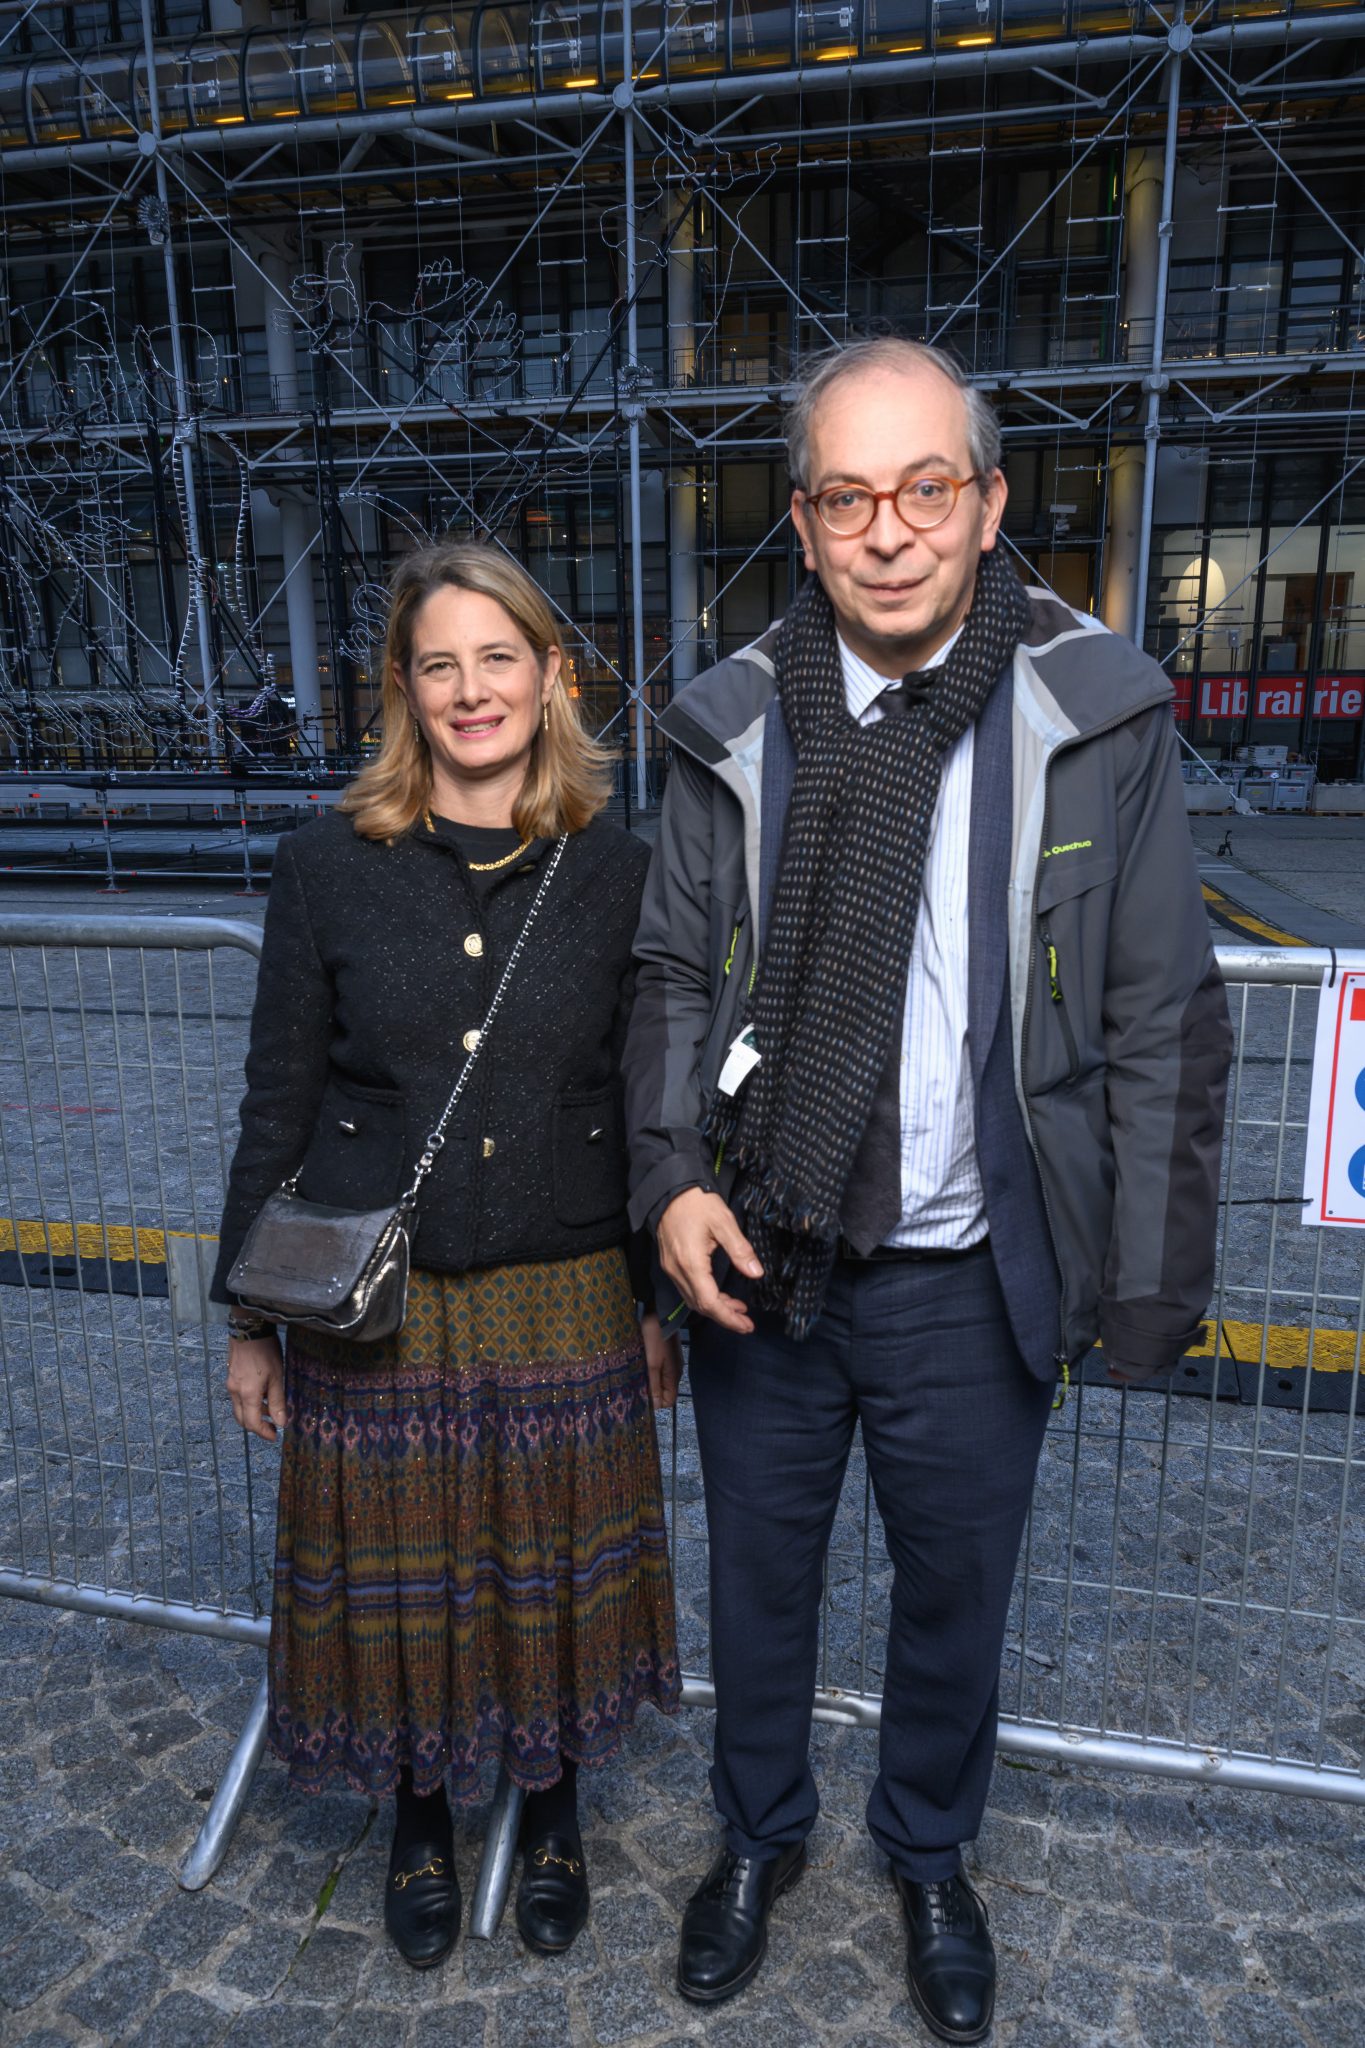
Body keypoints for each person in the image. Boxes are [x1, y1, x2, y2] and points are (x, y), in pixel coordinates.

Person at [622, 337, 1231, 2041]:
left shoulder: (1092, 710)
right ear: (802, 528)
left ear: (985, 506)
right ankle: (755, 1840)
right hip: (767, 1248)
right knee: (756, 1580)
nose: (886, 531)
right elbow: (672, 973)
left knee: (958, 1594)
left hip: (972, 1271)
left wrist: (1146, 1286)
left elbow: (1161, 1010)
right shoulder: (735, 722)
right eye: (844, 496)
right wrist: (668, 1182)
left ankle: (929, 1851)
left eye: (924, 489)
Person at [215, 540, 681, 1972]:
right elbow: (276, 1097)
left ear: (552, 677)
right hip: (379, 1306)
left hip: (567, 1292)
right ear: (402, 693)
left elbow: (648, 1093)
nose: (470, 689)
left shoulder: (618, 866)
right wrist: (244, 1315)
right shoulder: (323, 867)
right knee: (401, 1575)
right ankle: (417, 1815)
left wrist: (656, 1302)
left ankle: (550, 1812)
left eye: (498, 657)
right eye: (438, 663)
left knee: (549, 1574)